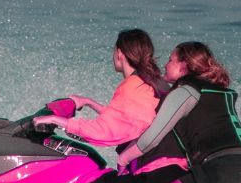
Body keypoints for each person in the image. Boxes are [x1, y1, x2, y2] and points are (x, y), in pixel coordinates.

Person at [50, 41, 241, 183]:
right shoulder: (216, 91)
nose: (166, 64)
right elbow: (134, 118)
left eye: (171, 59)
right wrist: (92, 105)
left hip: (219, 169)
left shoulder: (185, 90)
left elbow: (152, 137)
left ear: (184, 65)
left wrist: (124, 158)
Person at [34, 28, 169, 146]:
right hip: (164, 160)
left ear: (119, 53)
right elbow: (125, 118)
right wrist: (88, 102)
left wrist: (56, 120)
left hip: (154, 167)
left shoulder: (134, 85)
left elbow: (105, 131)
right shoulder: (153, 81)